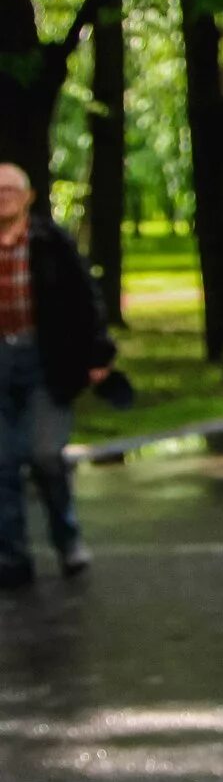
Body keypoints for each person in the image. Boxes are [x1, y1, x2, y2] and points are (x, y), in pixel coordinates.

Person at [0, 164, 113, 588]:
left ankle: (67, 539)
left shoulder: (51, 242)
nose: (4, 196)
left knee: (46, 454)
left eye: (12, 189)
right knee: (2, 464)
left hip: (44, 359)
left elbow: (86, 297)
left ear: (27, 197)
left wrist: (98, 353)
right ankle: (11, 558)